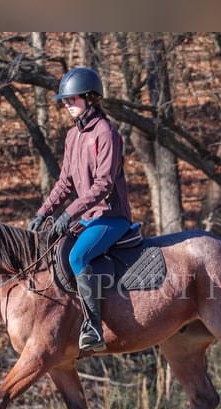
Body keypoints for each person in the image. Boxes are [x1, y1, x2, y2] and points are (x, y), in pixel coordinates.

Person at [27, 67, 132, 352]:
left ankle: (93, 328)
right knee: (52, 248)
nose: (67, 104)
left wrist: (69, 213)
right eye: (65, 100)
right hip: (87, 217)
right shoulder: (73, 137)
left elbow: (104, 184)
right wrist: (43, 212)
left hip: (111, 216)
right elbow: (64, 182)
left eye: (71, 99)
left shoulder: (106, 133)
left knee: (77, 255)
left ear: (89, 98)